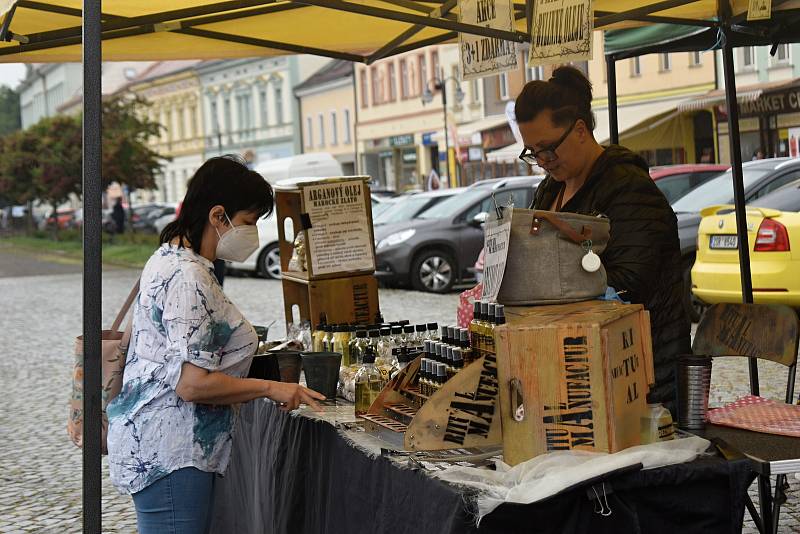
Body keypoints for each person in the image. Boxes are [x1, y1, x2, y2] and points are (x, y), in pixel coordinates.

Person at [106, 155, 324, 534]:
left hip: (168, 445)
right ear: (217, 216)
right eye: (248, 222)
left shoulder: (170, 258)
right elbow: (193, 384)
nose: (253, 233)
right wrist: (272, 387)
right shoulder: (189, 278)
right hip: (173, 450)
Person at [515, 66, 690, 414]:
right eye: (533, 153)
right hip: (580, 368)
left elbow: (630, 285)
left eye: (548, 149)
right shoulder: (551, 188)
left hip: (642, 373)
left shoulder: (628, 186)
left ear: (580, 129)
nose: (543, 161)